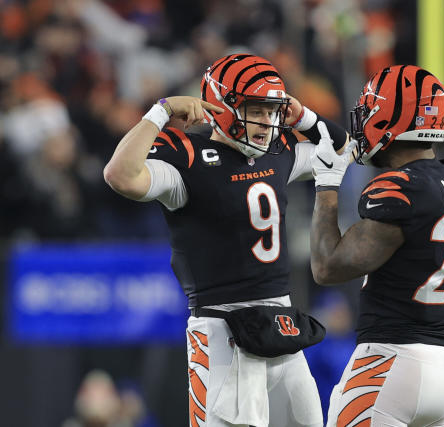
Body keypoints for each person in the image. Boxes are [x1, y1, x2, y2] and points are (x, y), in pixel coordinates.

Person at [104, 53, 350, 427]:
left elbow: (342, 149)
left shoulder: (280, 151)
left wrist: (304, 117)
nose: (267, 123)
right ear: (223, 107)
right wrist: (160, 112)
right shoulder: (188, 157)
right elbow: (120, 175)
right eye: (257, 110)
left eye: (272, 112)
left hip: (281, 322)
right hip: (222, 331)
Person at [308, 65, 444, 427]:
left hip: (386, 365)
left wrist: (326, 186)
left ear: (387, 120)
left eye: (369, 113)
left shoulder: (400, 189)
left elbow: (328, 267)